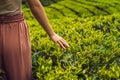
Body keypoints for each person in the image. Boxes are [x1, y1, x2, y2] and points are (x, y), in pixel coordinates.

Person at [0, 0, 69, 80]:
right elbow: (35, 5)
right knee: (19, 74)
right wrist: (52, 34)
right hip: (14, 29)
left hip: (13, 28)